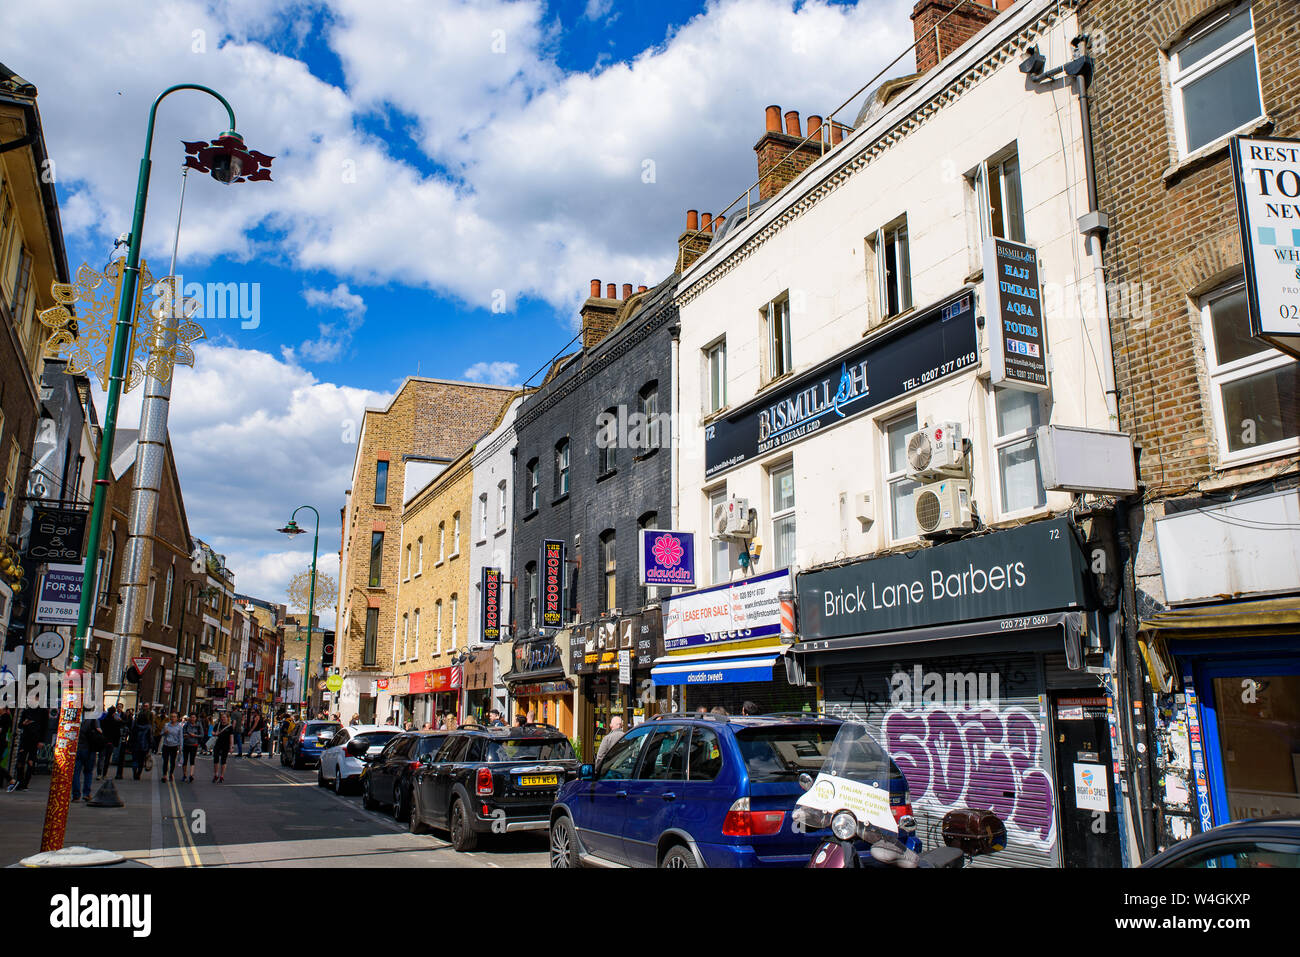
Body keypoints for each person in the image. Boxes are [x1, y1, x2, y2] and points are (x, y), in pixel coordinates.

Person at [71, 713, 104, 802]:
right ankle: (86, 794)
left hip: (77, 748)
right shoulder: (93, 719)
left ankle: (76, 795)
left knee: (76, 773)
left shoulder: (75, 717)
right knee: (88, 772)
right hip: (90, 749)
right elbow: (99, 731)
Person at [97, 705, 120, 778]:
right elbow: (117, 733)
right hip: (111, 742)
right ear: (114, 713)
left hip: (103, 741)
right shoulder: (115, 722)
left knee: (101, 757)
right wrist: (116, 743)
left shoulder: (103, 721)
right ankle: (104, 774)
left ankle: (99, 773)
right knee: (107, 759)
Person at [130, 709, 154, 780]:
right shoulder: (148, 727)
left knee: (135, 760)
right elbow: (150, 738)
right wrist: (151, 746)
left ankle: (134, 772)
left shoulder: (136, 725)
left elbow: (132, 735)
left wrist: (130, 744)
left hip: (135, 745)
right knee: (141, 761)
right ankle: (139, 774)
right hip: (144, 746)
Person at [211, 713, 235, 782]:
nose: (223, 719)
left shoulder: (230, 727)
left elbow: (231, 737)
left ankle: (222, 776)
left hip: (226, 745)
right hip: (218, 744)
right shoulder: (218, 725)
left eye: (224, 717)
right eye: (222, 717)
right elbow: (212, 732)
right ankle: (216, 774)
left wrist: (231, 746)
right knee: (216, 759)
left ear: (227, 718)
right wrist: (216, 733)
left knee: (223, 760)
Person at [160, 712, 184, 781]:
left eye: (174, 717)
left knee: (172, 761)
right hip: (166, 745)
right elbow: (161, 734)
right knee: (165, 760)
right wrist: (165, 732)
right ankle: (164, 775)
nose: (173, 718)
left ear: (177, 718)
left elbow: (181, 737)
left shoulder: (179, 727)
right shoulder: (166, 725)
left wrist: (181, 746)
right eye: (172, 716)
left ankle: (171, 774)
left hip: (174, 746)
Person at [180, 713, 203, 782]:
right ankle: (184, 775)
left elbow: (202, 735)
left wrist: (195, 735)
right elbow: (182, 733)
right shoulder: (186, 724)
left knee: (192, 760)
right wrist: (185, 735)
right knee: (185, 760)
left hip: (194, 745)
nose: (192, 719)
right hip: (186, 744)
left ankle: (191, 775)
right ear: (189, 718)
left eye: (194, 717)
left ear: (196, 718)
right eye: (191, 717)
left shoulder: (198, 725)